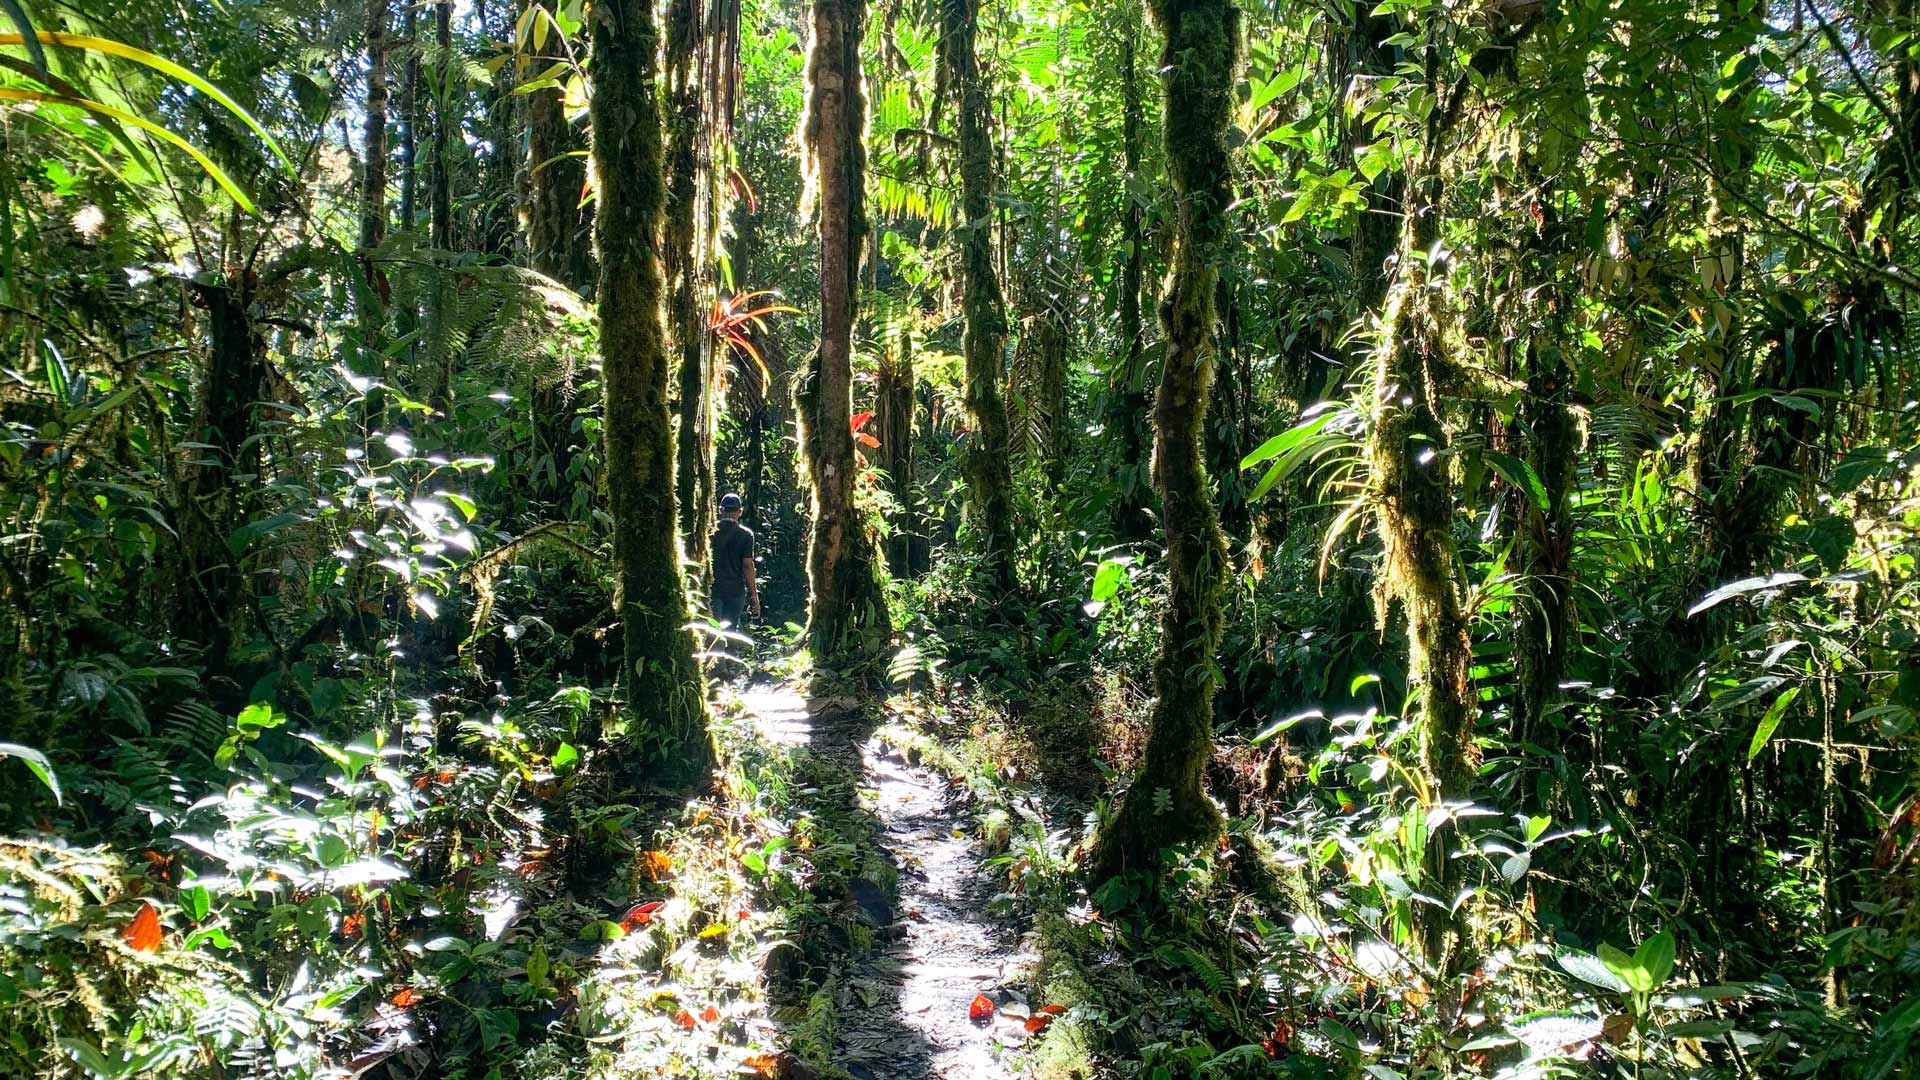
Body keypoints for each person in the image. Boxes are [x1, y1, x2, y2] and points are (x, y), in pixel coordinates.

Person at [710, 493, 760, 628]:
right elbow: (747, 565)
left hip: (713, 589)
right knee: (730, 631)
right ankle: (729, 649)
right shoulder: (746, 535)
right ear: (740, 512)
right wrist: (754, 594)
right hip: (735, 592)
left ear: (721, 511)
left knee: (713, 630)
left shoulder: (710, 531)